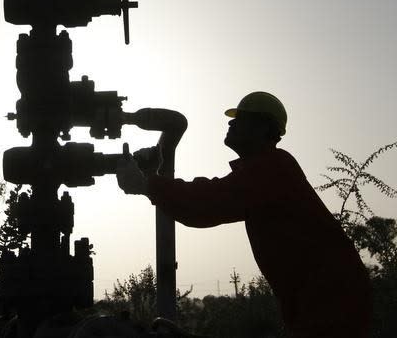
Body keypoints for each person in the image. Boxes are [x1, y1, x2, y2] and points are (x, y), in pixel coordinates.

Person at [116, 91, 371, 338]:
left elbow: (210, 202)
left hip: (332, 305)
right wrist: (152, 181)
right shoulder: (265, 169)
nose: (231, 123)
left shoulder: (274, 167)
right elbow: (206, 205)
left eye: (241, 119)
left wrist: (148, 185)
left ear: (263, 128)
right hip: (323, 304)